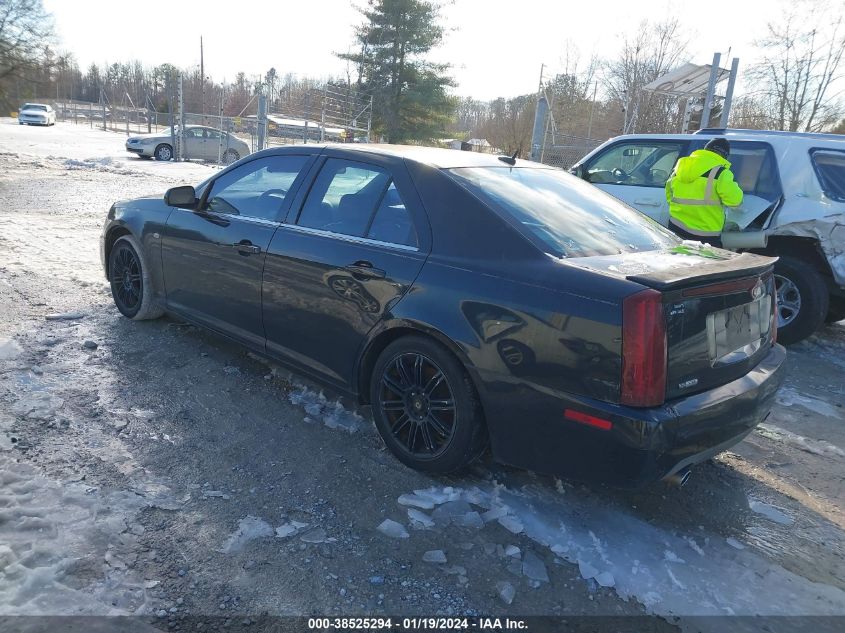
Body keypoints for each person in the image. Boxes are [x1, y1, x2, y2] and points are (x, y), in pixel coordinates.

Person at [665, 137, 743, 248]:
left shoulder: (680, 168)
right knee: (706, 264)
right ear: (724, 155)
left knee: (678, 262)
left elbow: (669, 195)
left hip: (676, 226)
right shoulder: (721, 173)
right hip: (706, 234)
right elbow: (735, 201)